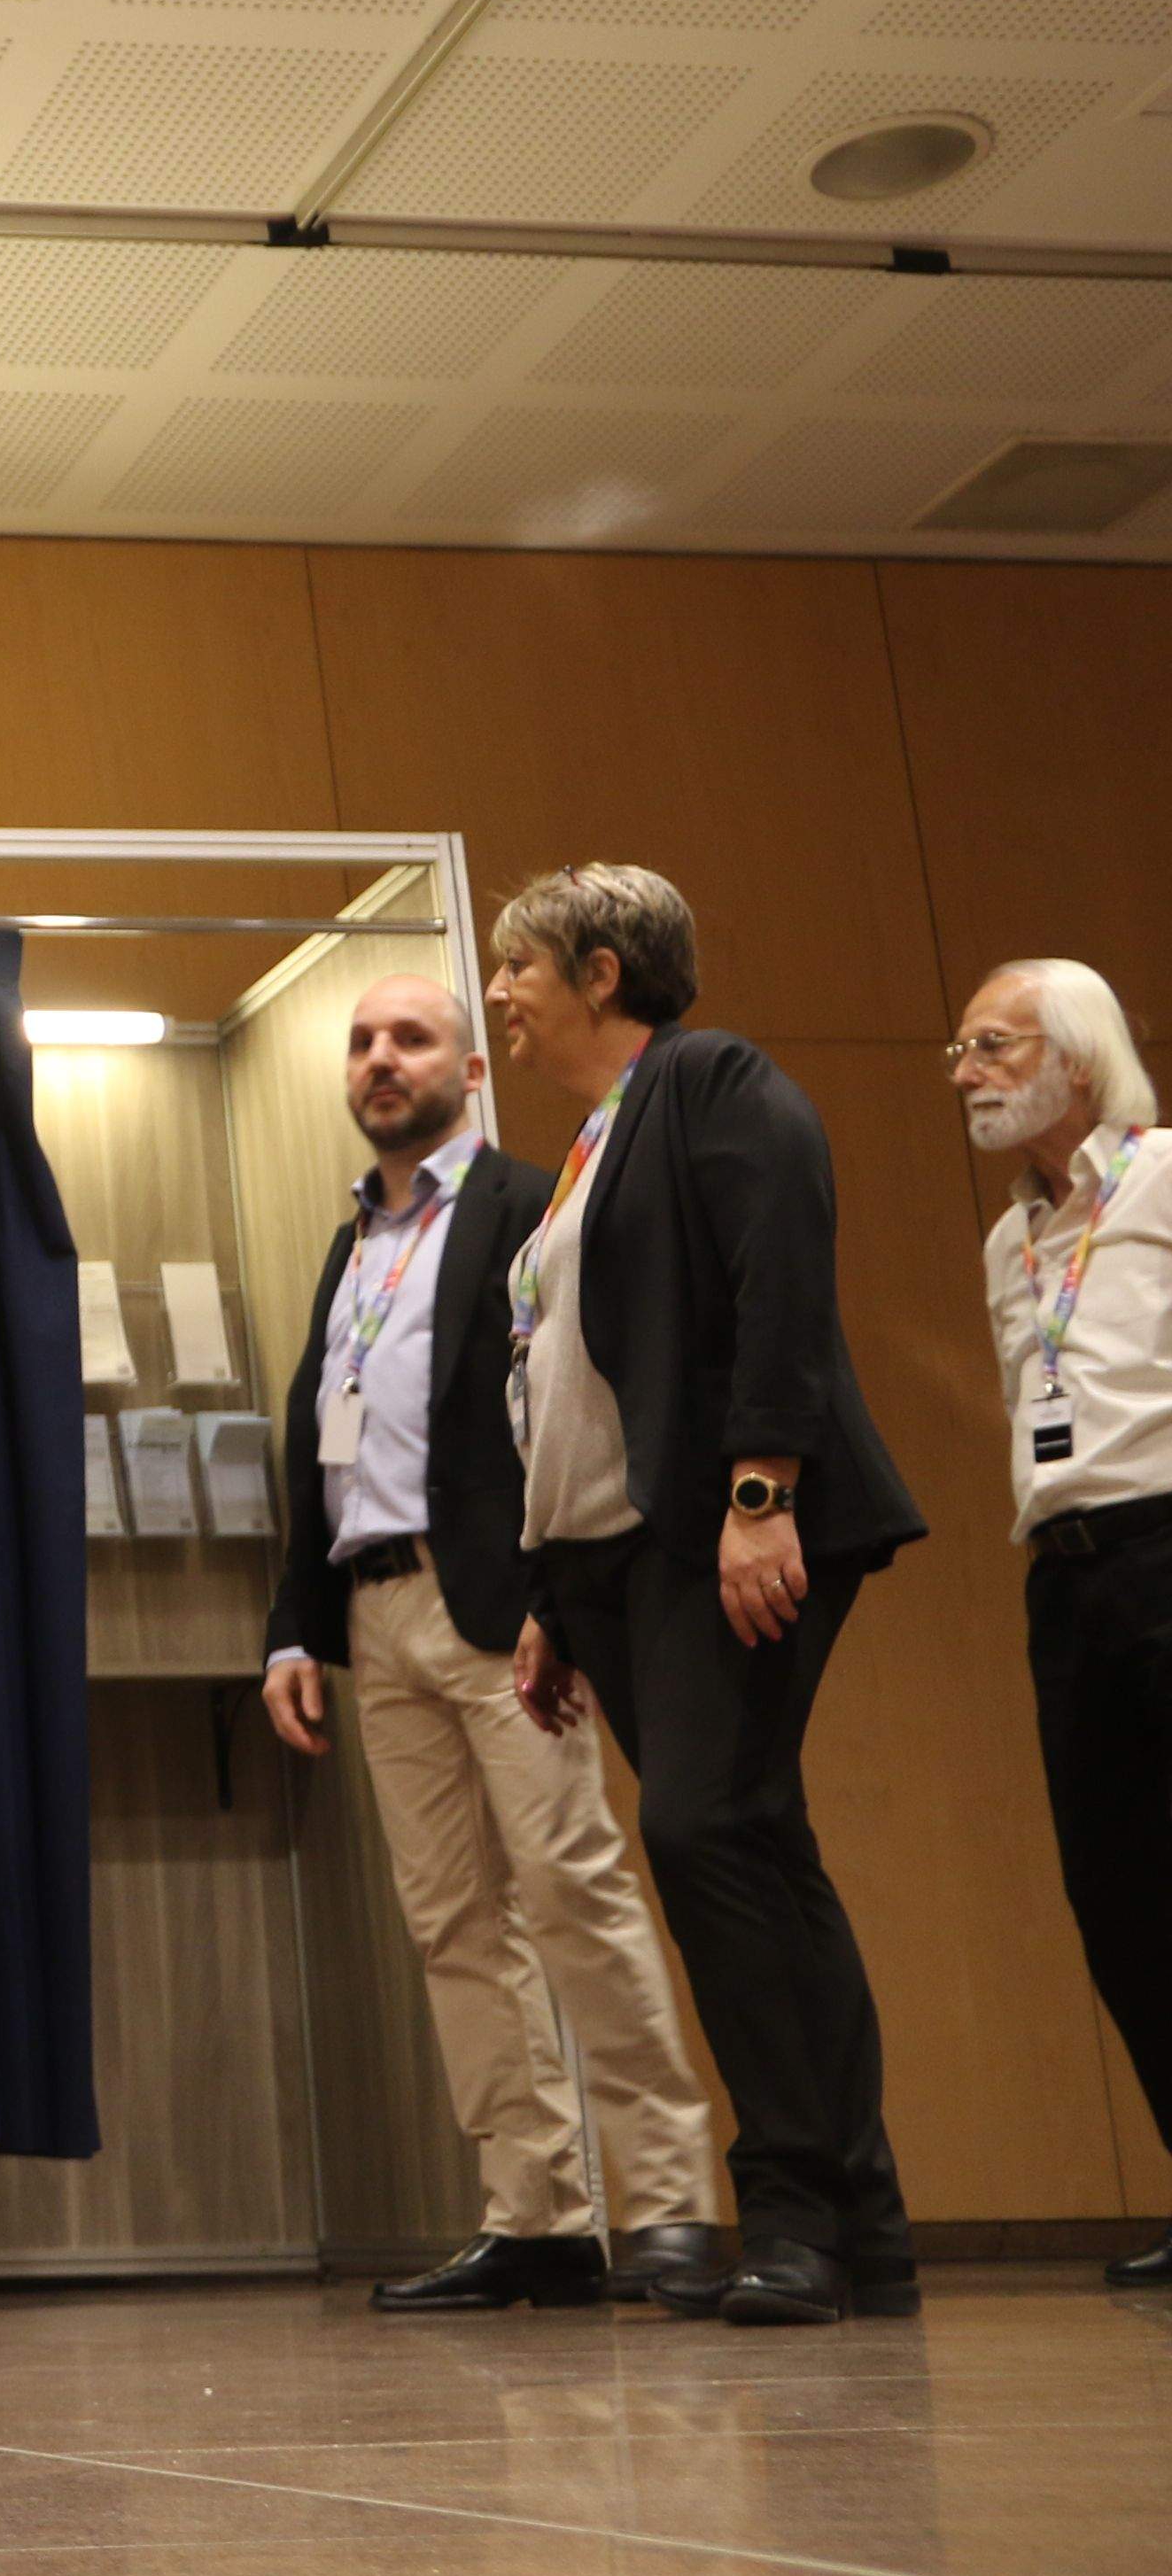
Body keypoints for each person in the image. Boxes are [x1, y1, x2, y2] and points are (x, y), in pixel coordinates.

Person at [486, 867, 921, 2325]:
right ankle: (858, 2221)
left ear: (601, 972)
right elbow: (563, 1390)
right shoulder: (586, 1148)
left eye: (517, 967)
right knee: (752, 1843)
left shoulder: (706, 1078)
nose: (499, 994)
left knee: (704, 1826)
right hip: (612, 1562)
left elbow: (778, 1264)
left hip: (717, 1532)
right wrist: (547, 1585)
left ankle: (794, 2207)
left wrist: (760, 1489)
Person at [260, 974, 719, 2310]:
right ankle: (537, 2214)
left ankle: (675, 2200)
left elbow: (571, 1416)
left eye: (409, 1038)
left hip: (507, 1617)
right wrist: (296, 1622)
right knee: (454, 1923)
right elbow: (324, 1446)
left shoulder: (528, 1208)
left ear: (470, 1066)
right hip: (373, 1612)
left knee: (573, 1891)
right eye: (361, 1043)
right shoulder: (353, 1245)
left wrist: (558, 1601)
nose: (380, 1059)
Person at [947, 958, 1172, 2290]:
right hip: (1068, 1581)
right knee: (1120, 1899)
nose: (964, 1071)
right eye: (957, 1051)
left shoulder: (1166, 1178)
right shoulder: (1009, 1239)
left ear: (1078, 1058)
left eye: (991, 1044)